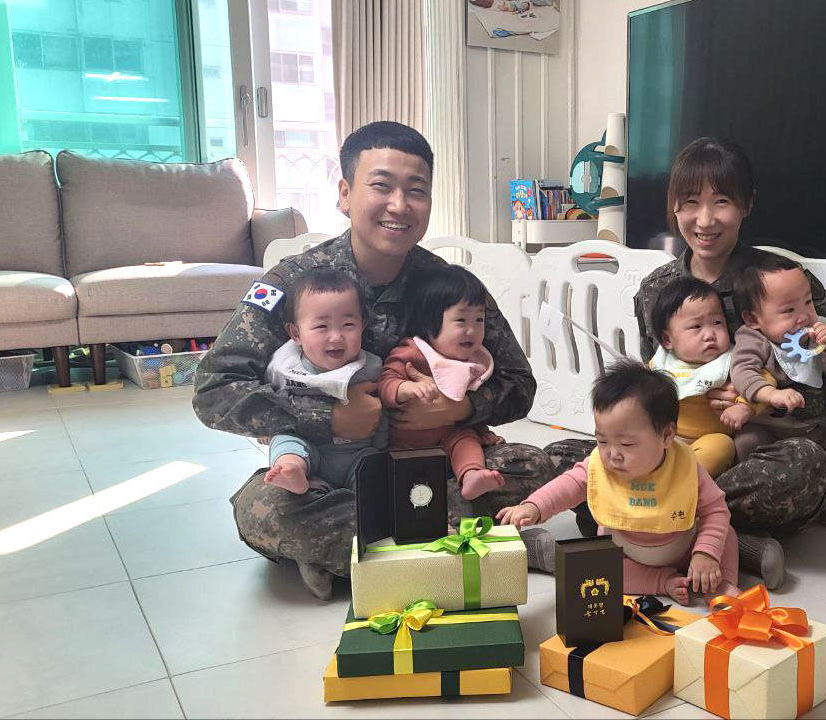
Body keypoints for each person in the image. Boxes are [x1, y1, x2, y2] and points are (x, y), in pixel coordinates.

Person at [193, 121, 555, 600]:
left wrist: (460, 408)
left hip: (428, 460)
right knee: (266, 510)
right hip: (328, 472)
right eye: (381, 186)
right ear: (345, 194)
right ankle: (472, 543)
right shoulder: (295, 284)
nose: (399, 205)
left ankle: (360, 555)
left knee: (531, 465)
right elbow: (214, 389)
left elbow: (519, 383)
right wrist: (328, 417)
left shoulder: (448, 285)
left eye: (416, 190)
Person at [547, 137, 826, 589]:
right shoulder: (656, 289)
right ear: (674, 208)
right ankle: (726, 544)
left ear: (747, 205)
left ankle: (652, 529)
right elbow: (651, 391)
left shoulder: (780, 281)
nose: (704, 220)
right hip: (672, 451)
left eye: (721, 201)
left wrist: (763, 398)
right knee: (565, 458)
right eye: (690, 203)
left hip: (754, 451)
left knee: (805, 465)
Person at [498, 361, 739, 605]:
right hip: (627, 553)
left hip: (685, 548)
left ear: (667, 435)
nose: (613, 454)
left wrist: (705, 554)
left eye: (626, 444)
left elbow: (716, 510)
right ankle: (662, 581)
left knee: (726, 535)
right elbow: (569, 485)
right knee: (603, 571)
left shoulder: (685, 468)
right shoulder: (600, 466)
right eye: (602, 441)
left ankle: (720, 583)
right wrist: (534, 506)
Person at [730, 252, 826, 534]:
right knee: (743, 445)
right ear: (753, 318)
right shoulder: (753, 338)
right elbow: (741, 371)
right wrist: (770, 394)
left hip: (807, 429)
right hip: (765, 427)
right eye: (789, 310)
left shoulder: (817, 334)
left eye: (808, 302)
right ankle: (749, 513)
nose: (804, 316)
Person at [378, 264, 507, 500]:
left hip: (450, 436)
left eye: (479, 319)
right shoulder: (414, 352)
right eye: (461, 320)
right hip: (407, 443)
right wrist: (406, 388)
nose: (472, 330)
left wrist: (483, 432)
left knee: (466, 440)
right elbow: (386, 383)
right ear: (430, 325)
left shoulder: (472, 360)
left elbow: (467, 401)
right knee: (402, 475)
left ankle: (471, 476)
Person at [262, 268, 388, 495]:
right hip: (308, 448)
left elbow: (383, 408)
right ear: (295, 333)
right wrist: (264, 431)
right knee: (285, 442)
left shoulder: (371, 367)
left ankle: (367, 497)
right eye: (321, 326)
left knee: (377, 468)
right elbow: (267, 400)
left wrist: (382, 443)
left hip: (357, 452)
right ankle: (292, 472)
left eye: (348, 325)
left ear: (363, 325)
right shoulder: (284, 366)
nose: (336, 336)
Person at [646, 276, 768, 477]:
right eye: (696, 327)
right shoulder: (662, 363)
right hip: (661, 440)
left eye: (717, 322)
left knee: (721, 446)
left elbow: (764, 382)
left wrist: (745, 406)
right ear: (667, 339)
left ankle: (682, 483)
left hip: (705, 442)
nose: (710, 334)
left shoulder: (734, 360)